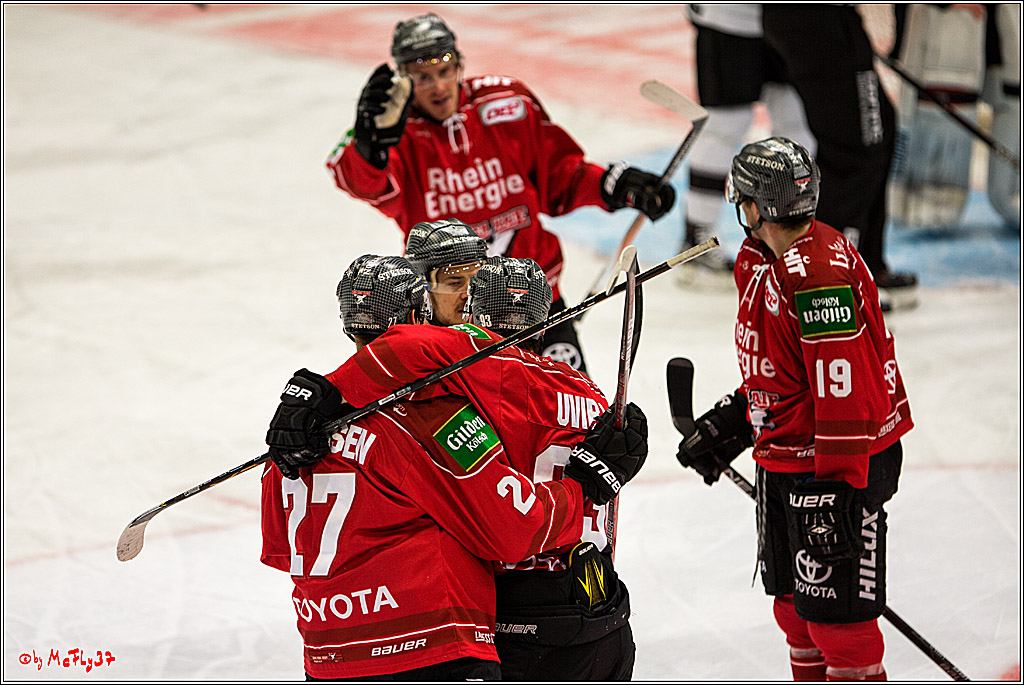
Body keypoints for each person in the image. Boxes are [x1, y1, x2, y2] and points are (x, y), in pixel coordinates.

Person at [260, 254, 647, 680]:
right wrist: (586, 485)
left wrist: (323, 388)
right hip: (576, 613)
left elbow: (278, 547)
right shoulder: (586, 393)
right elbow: (512, 524)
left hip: (332, 650)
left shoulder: (289, 450)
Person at [675, 137, 913, 681]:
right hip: (789, 456)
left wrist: (841, 485)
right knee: (794, 611)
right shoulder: (759, 259)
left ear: (757, 207)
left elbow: (844, 391)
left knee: (838, 624)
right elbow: (786, 369)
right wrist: (737, 419)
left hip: (841, 462)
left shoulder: (818, 275)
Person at [325, 11, 676, 374]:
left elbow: (557, 173)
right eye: (423, 77)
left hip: (533, 299)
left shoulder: (506, 103)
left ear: (460, 64)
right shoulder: (394, 131)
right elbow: (355, 178)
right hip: (450, 314)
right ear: (404, 79)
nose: (439, 87)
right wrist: (369, 144)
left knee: (573, 419)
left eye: (445, 71)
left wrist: (615, 184)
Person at [759, 4, 919, 312]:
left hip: (829, 18)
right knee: (856, 148)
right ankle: (829, 279)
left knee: (880, 128)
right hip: (814, 18)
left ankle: (865, 264)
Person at [677, 4, 815, 289]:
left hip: (793, 16)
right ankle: (697, 240)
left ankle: (793, 234)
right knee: (724, 124)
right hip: (729, 16)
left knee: (796, 123)